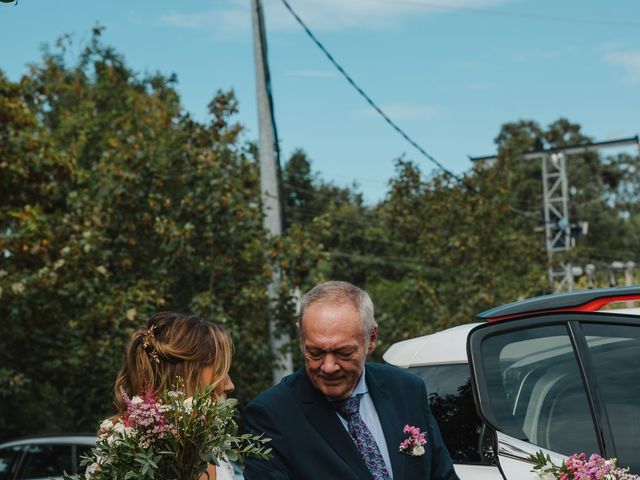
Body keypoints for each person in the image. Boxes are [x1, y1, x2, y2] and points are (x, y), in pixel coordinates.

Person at [243, 281, 460, 480]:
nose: (328, 367)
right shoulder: (271, 415)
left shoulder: (407, 390)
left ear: (371, 338)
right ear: (301, 338)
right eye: (315, 352)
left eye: (343, 353)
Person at [113, 312, 236, 480]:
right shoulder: (123, 457)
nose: (229, 385)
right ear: (187, 376)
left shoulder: (211, 449)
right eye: (219, 371)